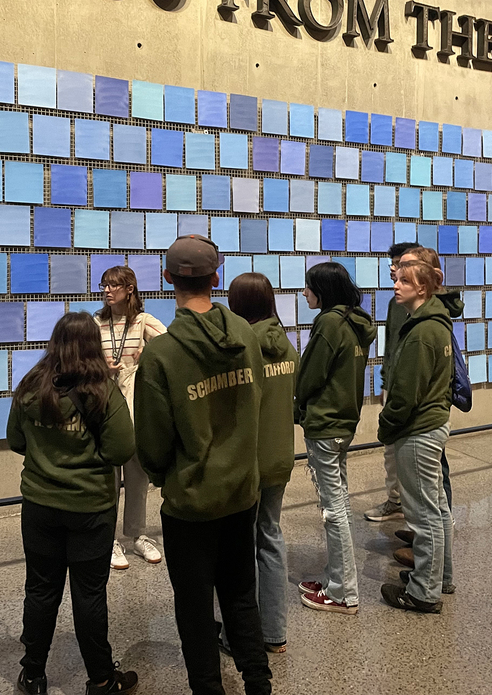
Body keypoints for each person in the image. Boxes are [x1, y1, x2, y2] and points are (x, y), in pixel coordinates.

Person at [134, 235, 272, 695]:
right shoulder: (248, 337)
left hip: (191, 503)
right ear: (217, 278)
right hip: (241, 493)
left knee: (194, 607)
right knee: (240, 596)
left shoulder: (162, 354)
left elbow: (152, 441)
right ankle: (258, 683)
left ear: (168, 279)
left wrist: (166, 476)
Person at [8, 311, 139, 695]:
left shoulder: (32, 385)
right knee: (89, 593)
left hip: (39, 505)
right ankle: (100, 678)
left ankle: (32, 674)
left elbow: (16, 440)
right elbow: (121, 448)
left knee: (40, 589)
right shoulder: (103, 391)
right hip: (90, 509)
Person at [223, 272, 299, 653]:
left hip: (247, 462)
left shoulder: (241, 348)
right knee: (269, 537)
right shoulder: (287, 346)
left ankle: (239, 636)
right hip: (280, 458)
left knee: (237, 549)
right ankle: (274, 633)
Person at [295, 263, 376, 615]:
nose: (304, 293)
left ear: (323, 291)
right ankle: (334, 578)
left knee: (334, 510)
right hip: (344, 422)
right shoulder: (357, 321)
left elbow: (310, 374)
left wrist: (298, 406)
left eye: (309, 287)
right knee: (338, 502)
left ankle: (343, 593)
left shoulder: (329, 323)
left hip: (325, 425)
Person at [378, 259, 455, 614]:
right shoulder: (434, 322)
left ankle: (424, 592)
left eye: (404, 281)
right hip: (431, 424)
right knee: (436, 510)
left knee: (424, 516)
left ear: (422, 289)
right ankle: (440, 577)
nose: (396, 285)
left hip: (419, 430)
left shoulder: (423, 332)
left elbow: (405, 394)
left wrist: (386, 426)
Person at [93, 265, 168, 570]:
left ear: (130, 289)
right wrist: (102, 369)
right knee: (107, 479)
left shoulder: (142, 322)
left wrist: (147, 357)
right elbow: (80, 360)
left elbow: (171, 347)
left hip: (137, 410)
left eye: (114, 286)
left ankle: (137, 534)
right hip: (106, 410)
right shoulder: (95, 323)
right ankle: (110, 540)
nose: (107, 291)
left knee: (137, 477)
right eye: (104, 286)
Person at [363, 241, 420, 523]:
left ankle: (429, 521)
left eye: (399, 265)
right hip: (393, 388)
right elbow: (391, 347)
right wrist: (386, 382)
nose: (393, 272)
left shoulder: (429, 310)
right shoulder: (394, 303)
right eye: (392, 266)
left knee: (422, 463)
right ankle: (396, 502)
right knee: (391, 455)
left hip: (416, 396)